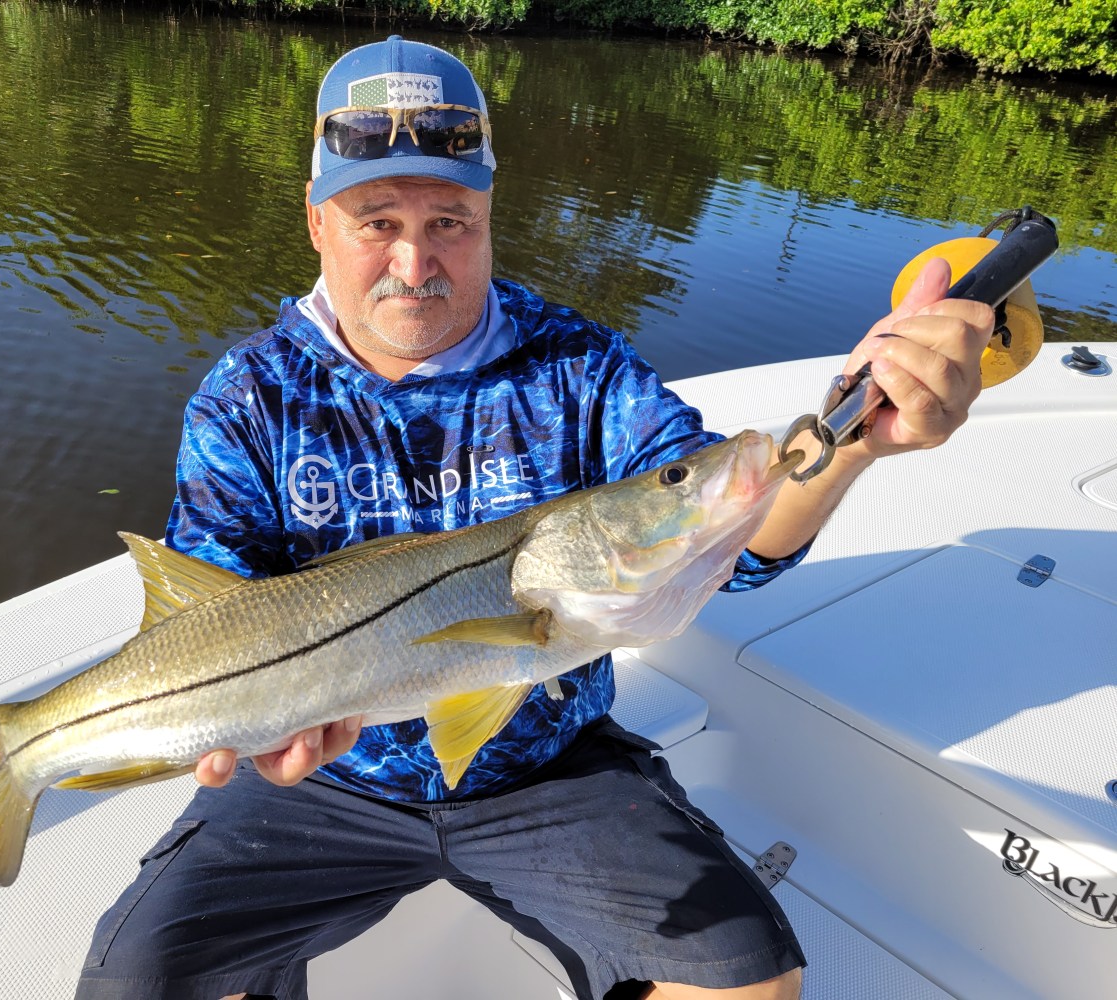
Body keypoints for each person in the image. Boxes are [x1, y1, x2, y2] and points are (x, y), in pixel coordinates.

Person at [75, 36, 993, 1000]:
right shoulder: (248, 395)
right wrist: (250, 722)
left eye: (450, 222)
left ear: (487, 215)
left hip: (550, 768)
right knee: (141, 983)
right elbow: (205, 608)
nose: (413, 261)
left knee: (744, 986)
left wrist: (850, 439)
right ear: (316, 224)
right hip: (317, 780)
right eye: (375, 220)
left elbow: (739, 548)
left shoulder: (579, 368)